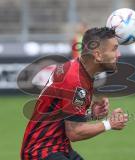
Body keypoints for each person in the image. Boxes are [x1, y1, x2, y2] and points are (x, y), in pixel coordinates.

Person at [21, 27, 128, 160]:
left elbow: (65, 116)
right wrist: (109, 124)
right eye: (114, 49)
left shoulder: (77, 68)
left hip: (59, 148)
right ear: (98, 55)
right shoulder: (75, 80)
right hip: (41, 152)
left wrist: (91, 114)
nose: (118, 54)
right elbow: (75, 132)